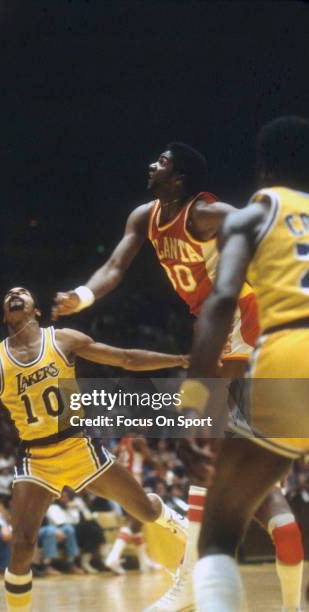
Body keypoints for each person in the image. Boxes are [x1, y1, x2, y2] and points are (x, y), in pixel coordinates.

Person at [52, 143, 302, 611]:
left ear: (180, 178)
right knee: (226, 453)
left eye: (162, 162)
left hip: (243, 317)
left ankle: (190, 583)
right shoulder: (145, 215)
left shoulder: (204, 213)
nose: (151, 165)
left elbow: (249, 221)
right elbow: (113, 267)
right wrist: (81, 297)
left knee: (201, 438)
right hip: (223, 322)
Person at [0, 286, 189, 612]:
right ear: (5, 315)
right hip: (36, 457)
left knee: (144, 509)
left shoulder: (62, 339)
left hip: (79, 445)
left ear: (36, 311)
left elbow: (126, 358)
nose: (15, 293)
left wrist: (181, 358)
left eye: (23, 292)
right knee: (21, 545)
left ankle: (184, 528)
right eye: (8, 296)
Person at [180, 115, 309, 611]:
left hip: (291, 352)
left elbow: (219, 302)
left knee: (221, 523)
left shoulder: (254, 213)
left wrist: (195, 401)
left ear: (262, 169)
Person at [105, 437, 164, 574]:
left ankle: (145, 561)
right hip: (132, 484)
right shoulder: (138, 441)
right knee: (133, 522)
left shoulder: (122, 443)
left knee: (137, 524)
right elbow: (153, 462)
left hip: (120, 483)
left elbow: (113, 456)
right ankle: (113, 557)